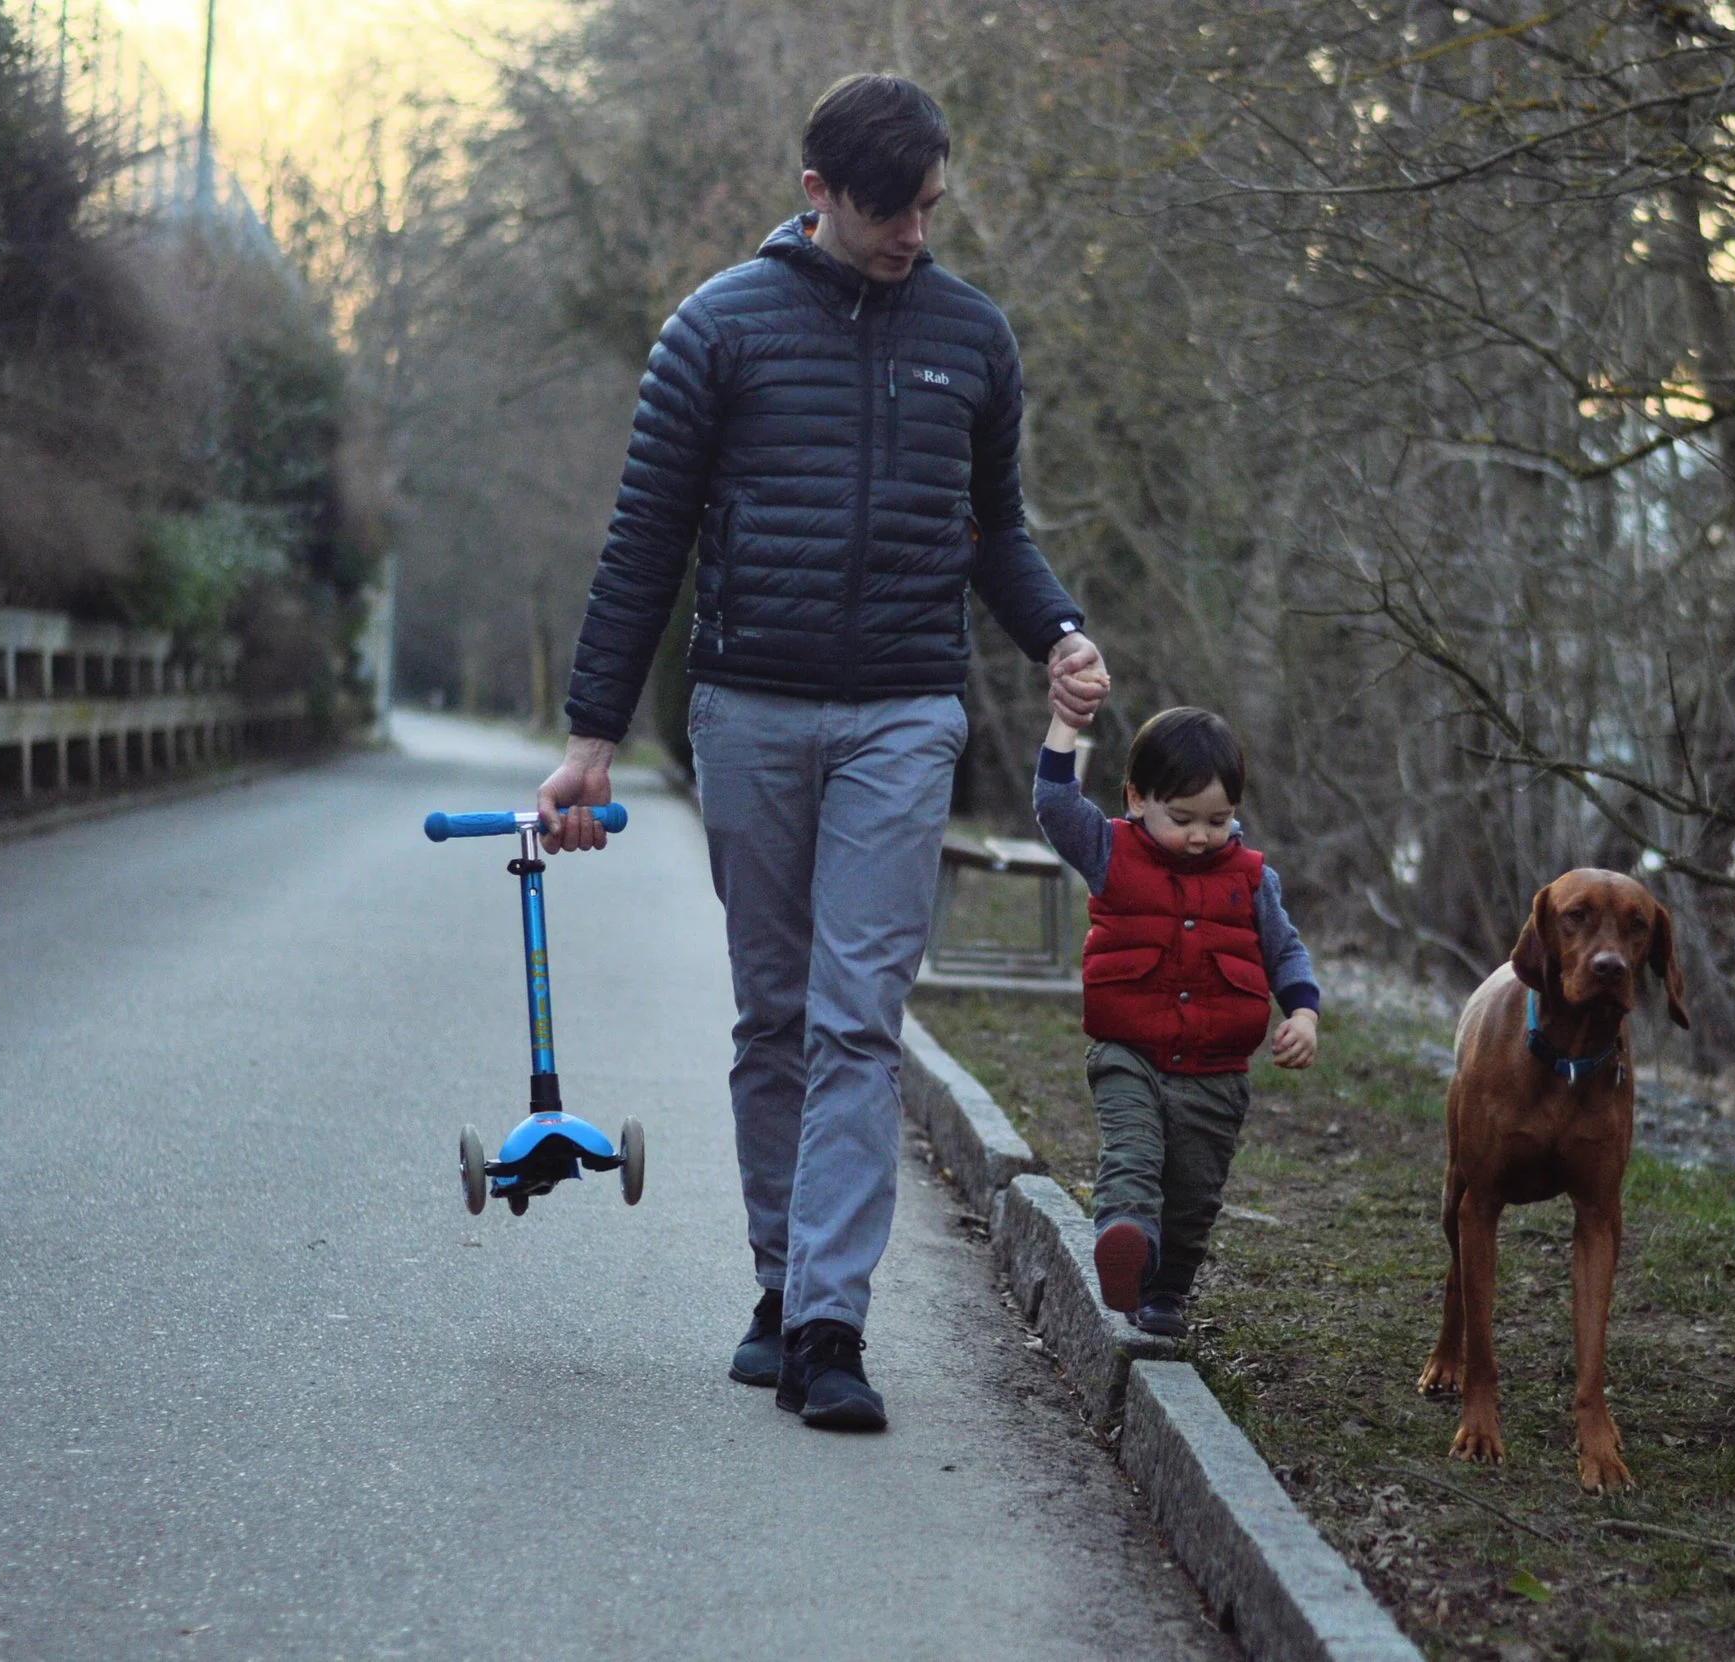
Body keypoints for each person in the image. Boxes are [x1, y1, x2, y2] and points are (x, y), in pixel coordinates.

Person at [535, 74, 1108, 1432]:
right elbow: (644, 542)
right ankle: (778, 1285)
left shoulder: (972, 337)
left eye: (929, 205)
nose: (915, 231)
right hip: (750, 713)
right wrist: (590, 739)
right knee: (777, 1016)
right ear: (817, 194)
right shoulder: (717, 329)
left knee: (859, 1015)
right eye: (889, 209)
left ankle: (829, 1326)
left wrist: (1057, 631)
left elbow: (995, 531)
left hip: (905, 714)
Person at [1032, 703, 1319, 1340]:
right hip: (1128, 1054)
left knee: (1194, 1193)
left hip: (1216, 1072)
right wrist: (1065, 722)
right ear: (1137, 799)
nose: (1200, 837)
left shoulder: (1252, 880)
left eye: (1219, 820)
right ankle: (1125, 1237)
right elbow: (1054, 804)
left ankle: (1165, 1291)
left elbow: (1286, 952)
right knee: (1132, 1156)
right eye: (1182, 819)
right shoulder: (1109, 849)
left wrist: (1303, 1012)